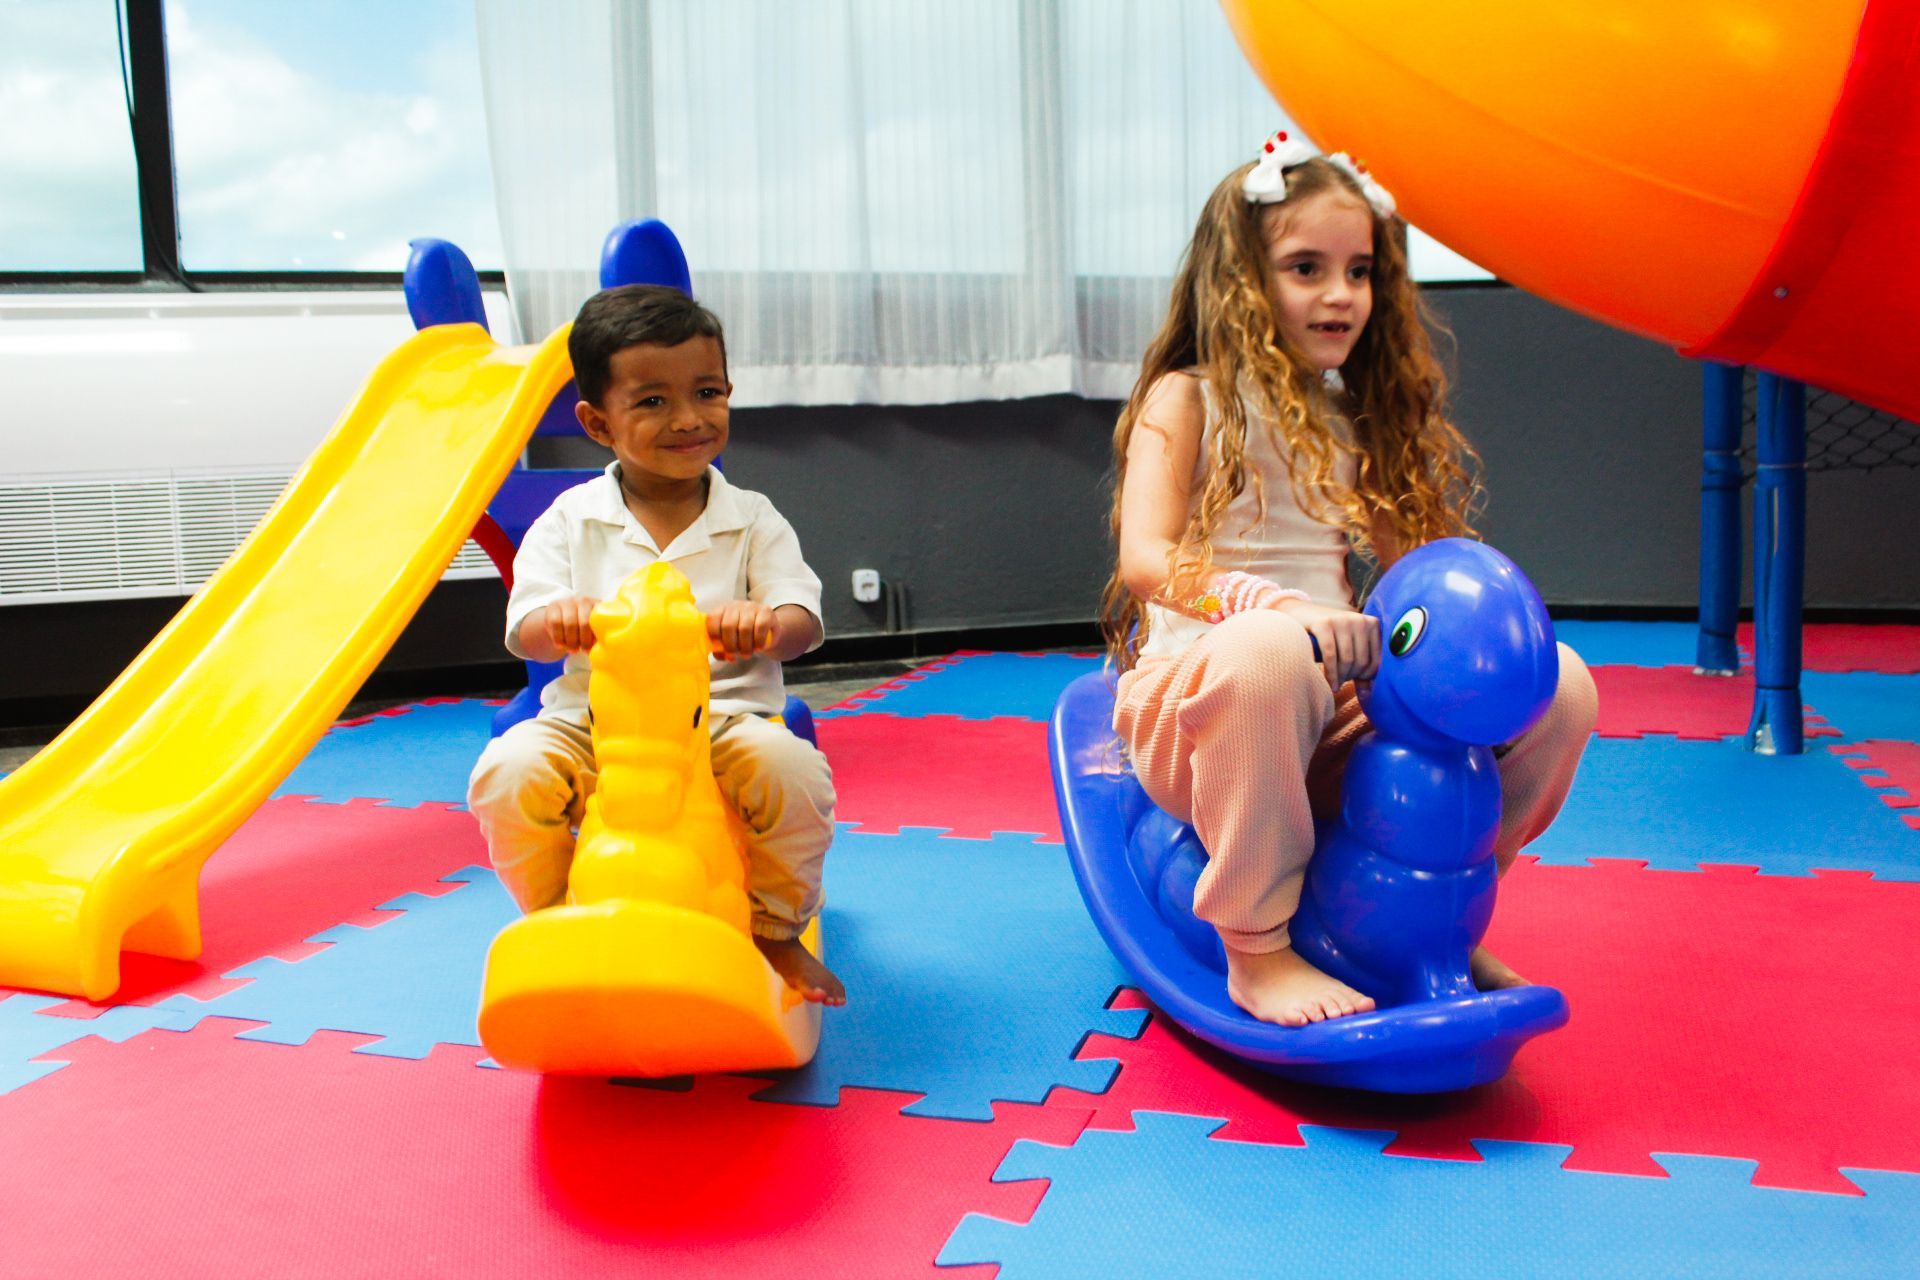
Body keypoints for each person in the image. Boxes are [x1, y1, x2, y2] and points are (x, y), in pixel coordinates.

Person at [1101, 131, 1597, 1028]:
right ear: (1244, 281)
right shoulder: (1188, 397)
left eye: (1359, 271)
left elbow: (1416, 568)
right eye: (1305, 268)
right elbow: (1146, 557)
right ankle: (1257, 948)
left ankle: (1444, 915)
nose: (1341, 295)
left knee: (1562, 686)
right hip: (1204, 703)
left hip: (1332, 707)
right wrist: (1267, 605)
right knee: (1266, 654)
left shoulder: (1348, 417)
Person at [468, 284, 844, 1006]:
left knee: (794, 772)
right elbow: (526, 623)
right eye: (651, 402)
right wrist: (563, 618)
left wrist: (762, 624)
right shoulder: (571, 520)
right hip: (593, 720)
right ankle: (554, 914)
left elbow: (801, 619)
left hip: (722, 720)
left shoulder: (751, 519)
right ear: (597, 422)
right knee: (507, 774)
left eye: (707, 392)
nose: (689, 419)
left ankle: (776, 926)